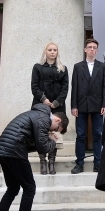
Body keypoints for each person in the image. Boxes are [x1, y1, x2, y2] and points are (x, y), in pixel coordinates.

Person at [0, 104, 66, 211]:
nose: (53, 131)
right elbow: (43, 147)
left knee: (12, 189)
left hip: (4, 149)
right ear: (57, 121)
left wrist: (47, 140)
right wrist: (54, 143)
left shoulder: (37, 115)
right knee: (29, 188)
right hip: (14, 150)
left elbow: (34, 144)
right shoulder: (44, 119)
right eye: (56, 129)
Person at [70, 38, 105, 174]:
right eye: (90, 47)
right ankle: (79, 163)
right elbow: (74, 87)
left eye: (94, 47)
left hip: (98, 105)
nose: (92, 49)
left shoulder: (102, 66)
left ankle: (98, 163)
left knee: (97, 134)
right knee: (80, 135)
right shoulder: (78, 66)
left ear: (97, 50)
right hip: (81, 104)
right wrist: (73, 106)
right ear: (85, 49)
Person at [31, 42, 69, 175]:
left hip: (57, 106)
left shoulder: (63, 68)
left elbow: (65, 88)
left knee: (54, 134)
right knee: (41, 133)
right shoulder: (38, 67)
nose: (52, 52)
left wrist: (56, 102)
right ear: (45, 52)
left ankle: (52, 162)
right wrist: (44, 100)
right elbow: (34, 87)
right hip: (41, 105)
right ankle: (43, 161)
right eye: (50, 50)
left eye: (55, 50)